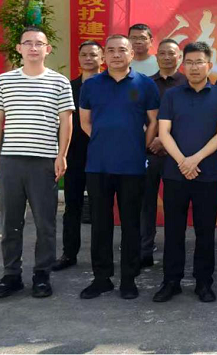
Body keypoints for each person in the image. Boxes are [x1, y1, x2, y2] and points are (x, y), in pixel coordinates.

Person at [0, 27, 75, 299]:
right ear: (19, 48)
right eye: (28, 43)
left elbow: (66, 123)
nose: (33, 48)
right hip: (11, 161)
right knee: (10, 222)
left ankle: (42, 275)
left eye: (39, 43)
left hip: (44, 162)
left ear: (48, 49)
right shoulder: (4, 81)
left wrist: (61, 155)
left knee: (45, 223)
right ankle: (11, 275)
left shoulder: (59, 82)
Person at [78, 35, 160, 300]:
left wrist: (139, 145)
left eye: (122, 50)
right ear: (104, 56)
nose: (116, 55)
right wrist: (103, 139)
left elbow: (153, 121)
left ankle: (128, 278)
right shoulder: (91, 85)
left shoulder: (145, 84)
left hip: (132, 166)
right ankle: (101, 278)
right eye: (111, 50)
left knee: (131, 224)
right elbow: (85, 121)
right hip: (98, 165)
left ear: (131, 54)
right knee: (100, 224)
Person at [153, 42, 217, 304]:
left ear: (209, 65)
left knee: (205, 231)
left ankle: (204, 282)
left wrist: (194, 160)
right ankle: (171, 281)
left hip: (206, 174)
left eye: (199, 62)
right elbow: (164, 132)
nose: (194, 67)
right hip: (175, 174)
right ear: (183, 65)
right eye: (189, 62)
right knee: (173, 231)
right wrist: (182, 162)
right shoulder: (172, 95)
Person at [53, 40, 104, 272]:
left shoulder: (109, 85)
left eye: (93, 55)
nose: (89, 59)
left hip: (101, 153)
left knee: (99, 207)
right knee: (72, 206)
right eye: (84, 55)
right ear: (79, 58)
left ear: (102, 59)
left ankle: (99, 256)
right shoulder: (68, 87)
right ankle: (69, 253)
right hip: (74, 154)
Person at [140, 39, 187, 268]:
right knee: (145, 204)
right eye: (163, 53)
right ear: (156, 56)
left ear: (180, 57)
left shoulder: (189, 83)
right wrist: (152, 139)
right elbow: (138, 115)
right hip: (149, 152)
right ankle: (144, 250)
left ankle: (173, 253)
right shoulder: (145, 84)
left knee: (175, 206)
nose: (167, 57)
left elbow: (192, 120)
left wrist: (166, 142)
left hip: (178, 155)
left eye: (172, 53)